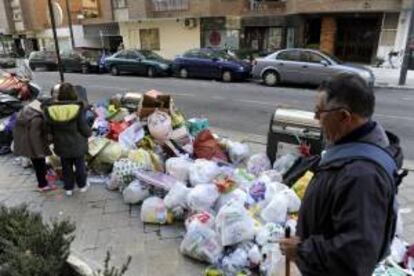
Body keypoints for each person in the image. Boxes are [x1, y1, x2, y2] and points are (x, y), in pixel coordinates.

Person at [279, 73, 404, 276]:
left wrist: (301, 251)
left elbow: (356, 256)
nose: (316, 119)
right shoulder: (351, 149)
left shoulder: (362, 176)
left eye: (320, 112)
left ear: (344, 116)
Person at [44, 83, 92, 196]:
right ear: (73, 94)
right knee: (80, 166)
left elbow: (48, 129)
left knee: (66, 167)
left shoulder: (51, 110)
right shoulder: (77, 108)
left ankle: (68, 188)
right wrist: (89, 133)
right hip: (77, 143)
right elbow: (83, 127)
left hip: (61, 144)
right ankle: (82, 186)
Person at [13, 99, 55, 192]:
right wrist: (39, 152)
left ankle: (44, 182)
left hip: (26, 142)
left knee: (39, 164)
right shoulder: (37, 119)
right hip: (34, 145)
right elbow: (34, 136)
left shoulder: (28, 110)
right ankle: (43, 185)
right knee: (39, 164)